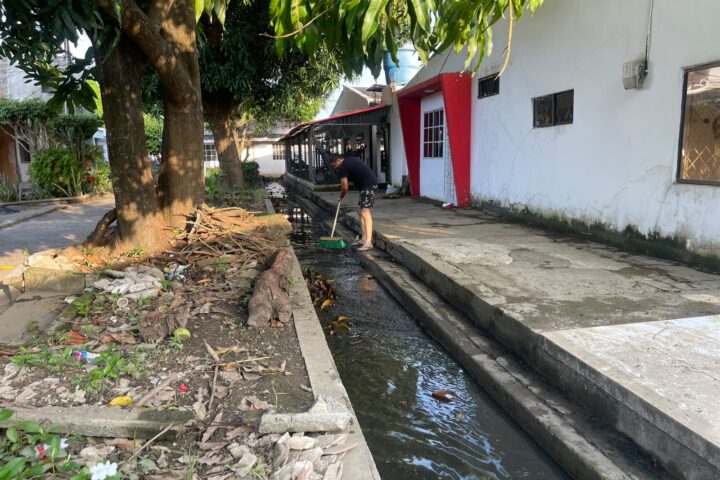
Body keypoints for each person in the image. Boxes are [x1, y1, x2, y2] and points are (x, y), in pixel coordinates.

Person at [330, 153, 377, 251]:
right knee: (360, 212)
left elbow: (345, 187)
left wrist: (341, 197)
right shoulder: (349, 160)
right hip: (365, 186)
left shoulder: (343, 166)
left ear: (338, 161)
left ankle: (369, 242)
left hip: (368, 185)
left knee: (365, 212)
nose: (335, 168)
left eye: (334, 165)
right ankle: (364, 239)